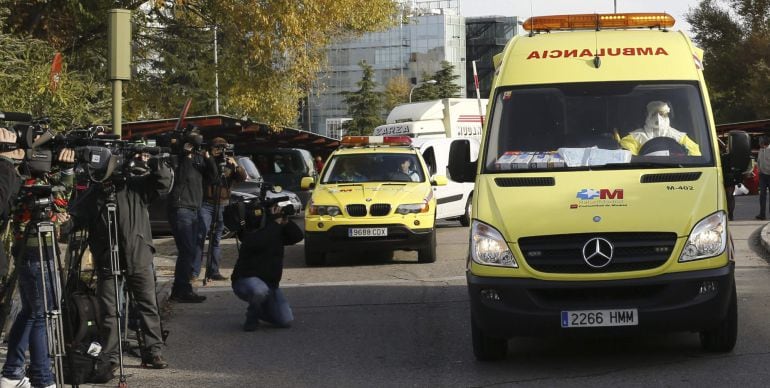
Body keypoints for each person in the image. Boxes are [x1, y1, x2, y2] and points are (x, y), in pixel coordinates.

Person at [70, 149, 175, 371]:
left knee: (147, 305)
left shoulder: (136, 186)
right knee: (109, 310)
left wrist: (155, 161)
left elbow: (164, 183)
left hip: (139, 255)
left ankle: (153, 352)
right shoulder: (94, 194)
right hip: (108, 260)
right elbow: (74, 219)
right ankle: (110, 356)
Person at [1, 143, 74, 388]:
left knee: (31, 312)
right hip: (35, 252)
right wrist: (67, 172)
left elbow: (58, 207)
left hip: (33, 249)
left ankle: (12, 373)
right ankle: (43, 378)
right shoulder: (26, 183)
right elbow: (61, 200)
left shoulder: (19, 179)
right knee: (43, 314)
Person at [231, 204, 303, 331]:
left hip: (270, 285)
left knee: (285, 320)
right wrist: (275, 223)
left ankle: (261, 309)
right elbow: (261, 242)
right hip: (246, 281)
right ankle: (252, 317)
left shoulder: (275, 231)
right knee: (259, 290)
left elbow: (297, 237)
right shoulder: (251, 233)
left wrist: (286, 222)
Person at [168, 131, 217, 303]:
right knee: (187, 250)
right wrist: (186, 155)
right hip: (181, 209)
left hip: (194, 209)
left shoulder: (198, 159)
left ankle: (180, 289)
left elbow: (213, 177)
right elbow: (181, 179)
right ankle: (182, 290)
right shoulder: (178, 159)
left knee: (192, 250)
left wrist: (209, 158)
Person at [195, 138, 246, 281]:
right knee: (200, 236)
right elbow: (211, 177)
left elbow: (242, 177)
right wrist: (209, 158)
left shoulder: (229, 162)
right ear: (210, 148)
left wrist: (236, 166)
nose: (219, 151)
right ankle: (194, 272)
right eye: (216, 148)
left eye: (222, 148)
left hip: (222, 204)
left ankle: (214, 271)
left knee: (216, 239)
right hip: (206, 203)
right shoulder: (206, 160)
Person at [619, 100, 701, 156]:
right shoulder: (634, 138)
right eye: (654, 114)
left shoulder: (680, 137)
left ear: (668, 115)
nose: (658, 118)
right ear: (646, 115)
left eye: (662, 114)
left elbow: (695, 158)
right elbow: (627, 161)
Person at [757, 136, 770, 220]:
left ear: (764, 143)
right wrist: (759, 170)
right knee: (762, 195)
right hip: (762, 175)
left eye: (760, 142)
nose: (759, 143)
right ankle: (762, 214)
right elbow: (758, 161)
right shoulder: (761, 150)